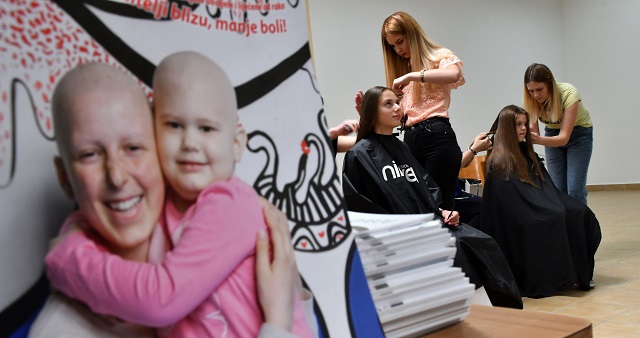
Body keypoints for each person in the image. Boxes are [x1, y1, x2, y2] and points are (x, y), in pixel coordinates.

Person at [31, 61, 310, 337]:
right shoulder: (61, 327)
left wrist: (68, 262)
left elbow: (162, 298)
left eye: (134, 148)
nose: (117, 177)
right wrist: (277, 325)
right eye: (89, 154)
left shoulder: (225, 203)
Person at [342, 86, 522, 309]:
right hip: (397, 236)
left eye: (397, 102)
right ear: (371, 111)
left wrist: (443, 211)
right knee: (458, 248)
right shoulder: (360, 155)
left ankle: (498, 315)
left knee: (481, 242)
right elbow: (362, 208)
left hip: (427, 225)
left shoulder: (402, 148)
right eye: (388, 104)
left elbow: (425, 188)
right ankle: (476, 316)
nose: (398, 107)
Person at [480, 104, 601, 298]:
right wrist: (546, 206)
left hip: (539, 201)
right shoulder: (499, 161)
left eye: (525, 124)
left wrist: (550, 203)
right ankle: (559, 276)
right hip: (519, 214)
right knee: (552, 217)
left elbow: (545, 188)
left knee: (580, 212)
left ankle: (579, 272)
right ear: (506, 128)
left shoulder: (528, 154)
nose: (523, 129)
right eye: (518, 124)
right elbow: (510, 202)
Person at [367, 11, 465, 210]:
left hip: (437, 137)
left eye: (400, 41)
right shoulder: (403, 69)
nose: (398, 49)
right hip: (410, 140)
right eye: (393, 46)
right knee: (418, 207)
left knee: (440, 207)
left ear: (412, 33)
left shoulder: (439, 56)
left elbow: (454, 74)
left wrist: (412, 76)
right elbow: (400, 115)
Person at [523, 63, 593, 205]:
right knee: (556, 189)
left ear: (550, 84)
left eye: (539, 89)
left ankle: (580, 226)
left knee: (574, 190)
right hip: (551, 134)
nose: (536, 95)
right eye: (531, 91)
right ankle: (563, 225)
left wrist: (538, 139)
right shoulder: (531, 99)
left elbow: (563, 138)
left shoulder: (569, 93)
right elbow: (534, 132)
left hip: (579, 135)